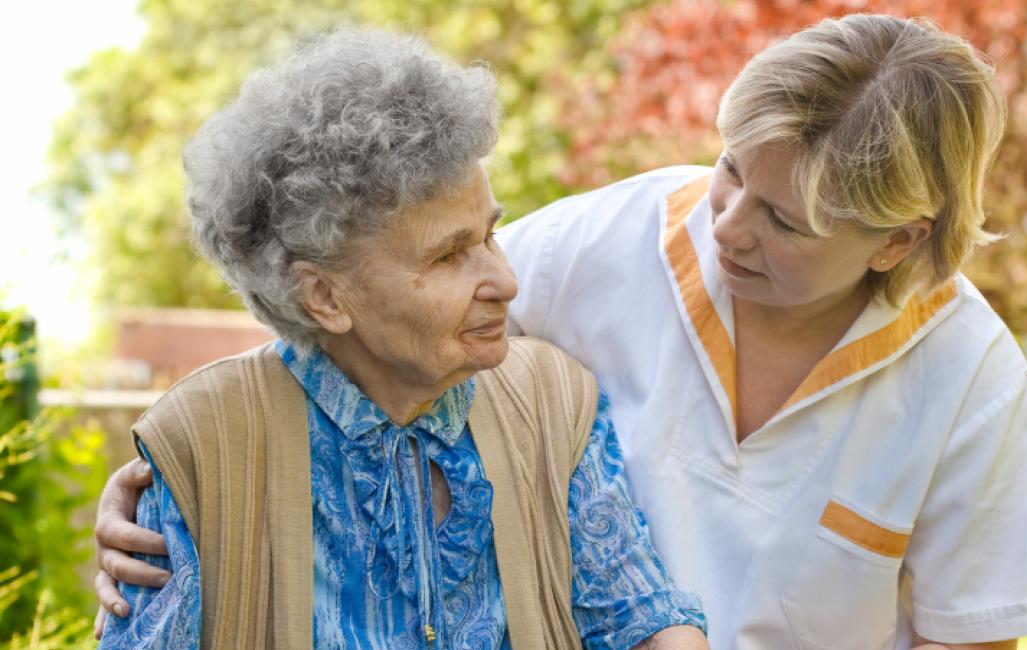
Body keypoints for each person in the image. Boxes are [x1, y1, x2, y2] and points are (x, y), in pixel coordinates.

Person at [95, 14, 1027, 649]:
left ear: (896, 240)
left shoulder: (972, 377)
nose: (726, 224)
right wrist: (183, 465)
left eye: (785, 220)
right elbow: (352, 309)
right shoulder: (610, 239)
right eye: (732, 169)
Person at [92, 29, 707, 650]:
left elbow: (637, 619)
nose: (505, 280)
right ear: (325, 298)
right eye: (447, 256)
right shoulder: (205, 443)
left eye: (489, 236)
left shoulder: (555, 403)